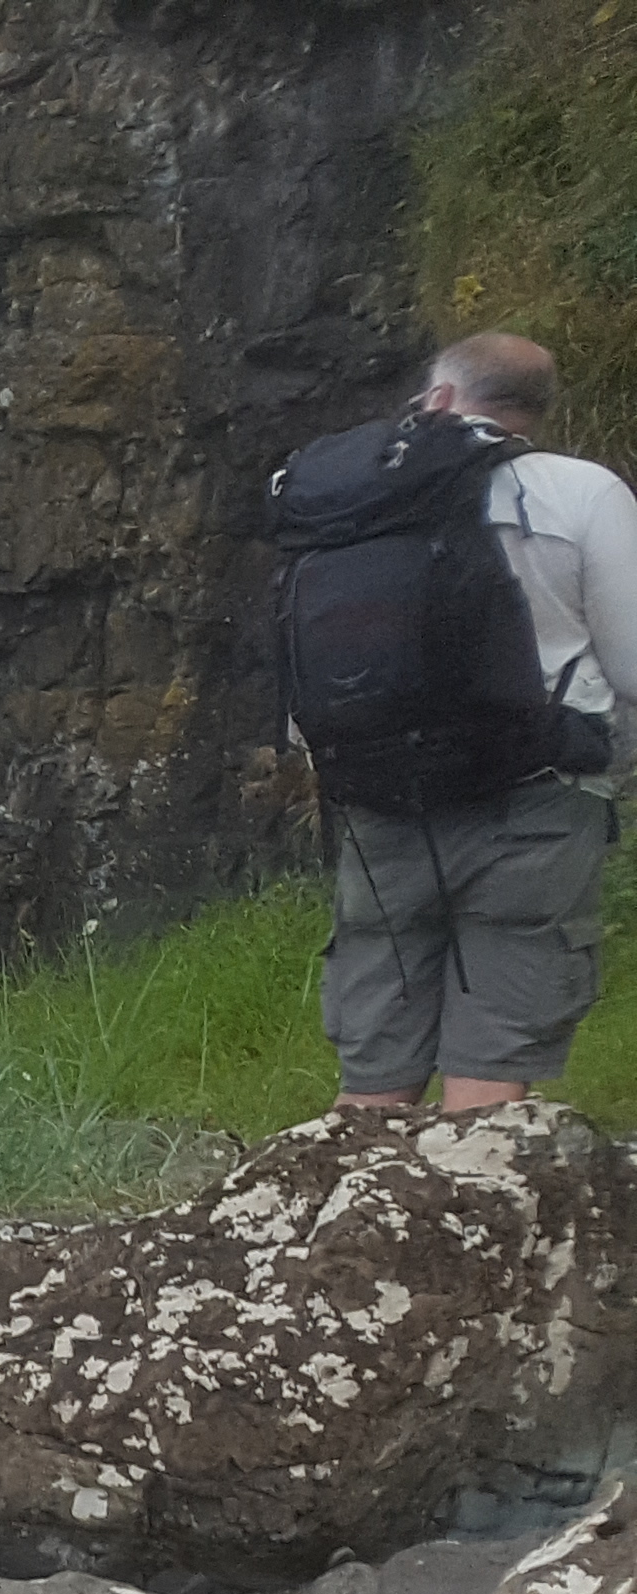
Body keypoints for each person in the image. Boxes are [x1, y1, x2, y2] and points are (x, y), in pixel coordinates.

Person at [298, 332, 636, 1111]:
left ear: (442, 397)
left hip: (381, 797)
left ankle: (346, 1222)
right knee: (493, 1049)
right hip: (535, 802)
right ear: (537, 410)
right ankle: (462, 1215)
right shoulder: (582, 492)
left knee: (375, 1067)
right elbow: (630, 669)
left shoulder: (351, 496)